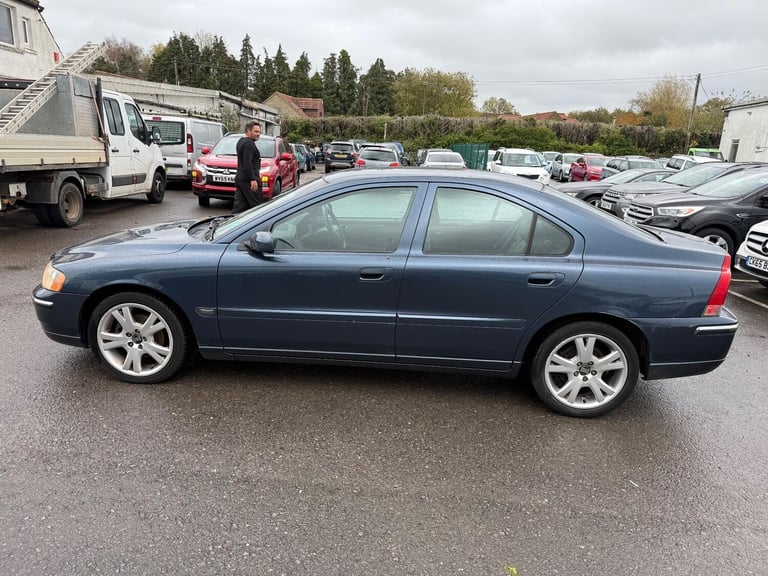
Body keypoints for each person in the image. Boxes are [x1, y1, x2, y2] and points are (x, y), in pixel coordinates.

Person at [232, 121, 263, 214]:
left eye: (259, 132)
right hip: (248, 180)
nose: (258, 134)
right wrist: (253, 179)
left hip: (240, 178)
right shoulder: (249, 144)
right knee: (258, 207)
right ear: (248, 131)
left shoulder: (241, 141)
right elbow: (247, 162)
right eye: (256, 132)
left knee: (240, 207)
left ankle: (231, 226)